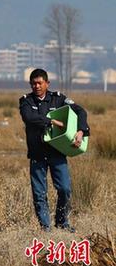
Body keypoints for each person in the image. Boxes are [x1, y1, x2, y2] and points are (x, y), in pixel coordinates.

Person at [19, 68, 90, 233]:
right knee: (39, 193)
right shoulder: (26, 102)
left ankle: (62, 222)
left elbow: (80, 111)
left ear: (47, 83)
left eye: (40, 83)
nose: (36, 86)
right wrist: (52, 122)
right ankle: (46, 228)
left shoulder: (58, 99)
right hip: (37, 154)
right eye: (33, 83)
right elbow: (29, 118)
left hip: (57, 153)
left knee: (65, 189)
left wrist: (81, 131)